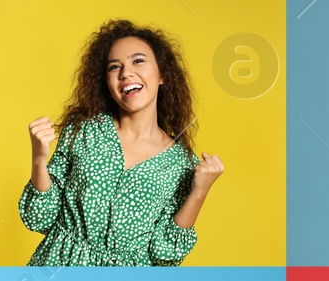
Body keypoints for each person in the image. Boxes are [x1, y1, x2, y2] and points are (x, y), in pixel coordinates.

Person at [21, 20, 225, 266]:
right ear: (107, 83)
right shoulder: (83, 129)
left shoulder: (181, 165)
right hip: (57, 270)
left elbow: (165, 254)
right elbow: (39, 218)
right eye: (114, 66)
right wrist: (38, 160)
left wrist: (200, 191)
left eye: (138, 61)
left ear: (162, 75)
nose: (126, 72)